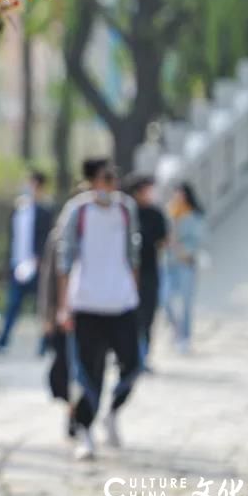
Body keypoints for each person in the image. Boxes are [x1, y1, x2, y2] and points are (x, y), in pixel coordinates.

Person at [57, 159, 142, 461]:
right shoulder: (78, 211)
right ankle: (85, 431)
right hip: (87, 303)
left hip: (121, 302)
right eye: (106, 178)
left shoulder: (125, 209)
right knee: (89, 373)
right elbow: (64, 258)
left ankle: (113, 412)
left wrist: (133, 289)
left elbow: (133, 254)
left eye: (114, 178)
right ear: (93, 181)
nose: (111, 184)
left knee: (134, 364)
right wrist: (63, 305)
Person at [36, 158, 103, 437]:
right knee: (62, 371)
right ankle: (71, 410)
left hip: (95, 310)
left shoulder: (104, 236)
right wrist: (49, 314)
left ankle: (82, 417)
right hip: (66, 313)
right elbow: (50, 277)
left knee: (91, 368)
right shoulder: (59, 236)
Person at [0, 170, 53, 350]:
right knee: (13, 305)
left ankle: (45, 343)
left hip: (38, 266)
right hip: (17, 265)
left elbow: (47, 237)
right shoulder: (19, 210)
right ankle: (3, 341)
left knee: (42, 307)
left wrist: (40, 258)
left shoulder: (45, 211)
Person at [123, 174, 168, 369]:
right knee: (127, 317)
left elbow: (163, 240)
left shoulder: (156, 214)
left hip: (149, 272)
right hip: (125, 273)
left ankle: (143, 357)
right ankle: (126, 357)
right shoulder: (125, 213)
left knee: (148, 316)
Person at [165, 183, 206, 354]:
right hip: (168, 264)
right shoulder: (169, 214)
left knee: (186, 303)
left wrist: (184, 251)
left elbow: (198, 239)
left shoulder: (193, 216)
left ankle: (185, 337)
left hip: (186, 263)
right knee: (165, 298)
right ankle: (176, 329)